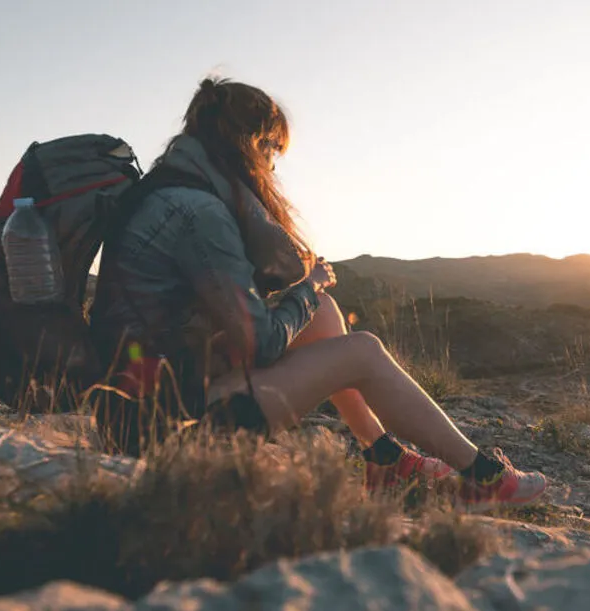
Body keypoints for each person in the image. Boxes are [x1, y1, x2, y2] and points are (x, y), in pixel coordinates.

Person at [89, 76, 547, 510]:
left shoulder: (171, 188)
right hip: (163, 428)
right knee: (362, 351)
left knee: (323, 312)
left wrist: (310, 297)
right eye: (272, 150)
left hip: (155, 393)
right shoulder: (199, 211)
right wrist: (308, 286)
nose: (272, 166)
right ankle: (484, 479)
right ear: (250, 142)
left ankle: (384, 458)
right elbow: (262, 343)